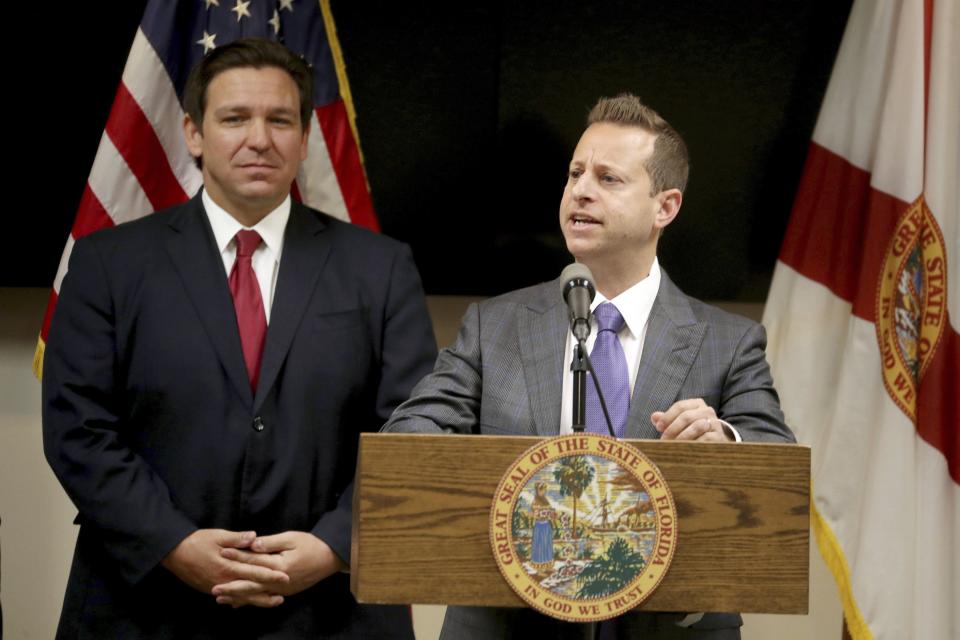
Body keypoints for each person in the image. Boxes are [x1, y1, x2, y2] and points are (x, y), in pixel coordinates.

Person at [42, 38, 436, 638]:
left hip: (329, 609)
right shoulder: (108, 263)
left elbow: (415, 432)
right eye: (234, 118)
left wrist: (333, 546)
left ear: (305, 139)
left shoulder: (380, 268)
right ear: (194, 134)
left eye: (280, 120)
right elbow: (78, 427)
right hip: (145, 604)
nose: (260, 138)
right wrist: (173, 542)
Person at [383, 94, 794, 639]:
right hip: (507, 623)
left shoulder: (729, 340)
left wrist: (724, 442)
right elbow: (409, 437)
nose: (580, 189)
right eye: (575, 173)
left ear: (665, 207)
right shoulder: (494, 326)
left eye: (608, 178)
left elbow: (776, 460)